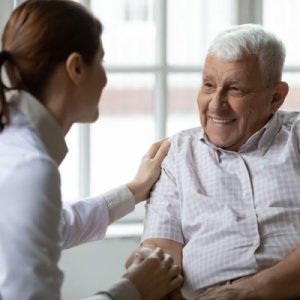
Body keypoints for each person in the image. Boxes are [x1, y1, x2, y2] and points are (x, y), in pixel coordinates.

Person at [0, 1, 183, 300]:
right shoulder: (30, 167)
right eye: (102, 62)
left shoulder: (13, 142)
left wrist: (134, 190)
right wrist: (132, 290)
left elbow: (55, 223)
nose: (105, 79)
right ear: (76, 67)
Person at [136, 24, 300, 299]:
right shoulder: (176, 155)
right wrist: (146, 264)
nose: (215, 104)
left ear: (276, 97)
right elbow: (161, 248)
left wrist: (253, 290)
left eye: (235, 89)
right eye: (208, 85)